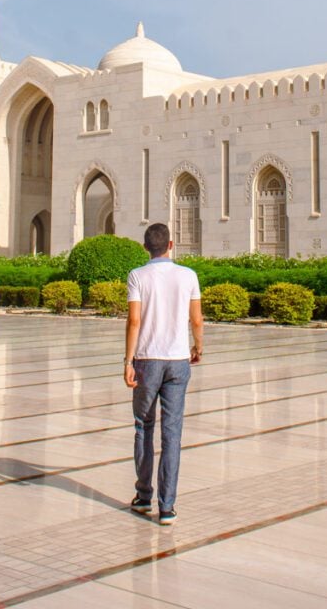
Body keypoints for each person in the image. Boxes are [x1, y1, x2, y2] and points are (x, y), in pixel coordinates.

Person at [124, 222, 203, 525]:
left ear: (146, 247)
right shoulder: (188, 276)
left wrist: (128, 360)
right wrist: (198, 347)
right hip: (178, 361)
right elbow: (196, 319)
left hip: (147, 360)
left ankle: (144, 496)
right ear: (171, 245)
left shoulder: (137, 276)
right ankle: (167, 506)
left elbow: (134, 321)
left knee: (144, 426)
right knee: (172, 433)